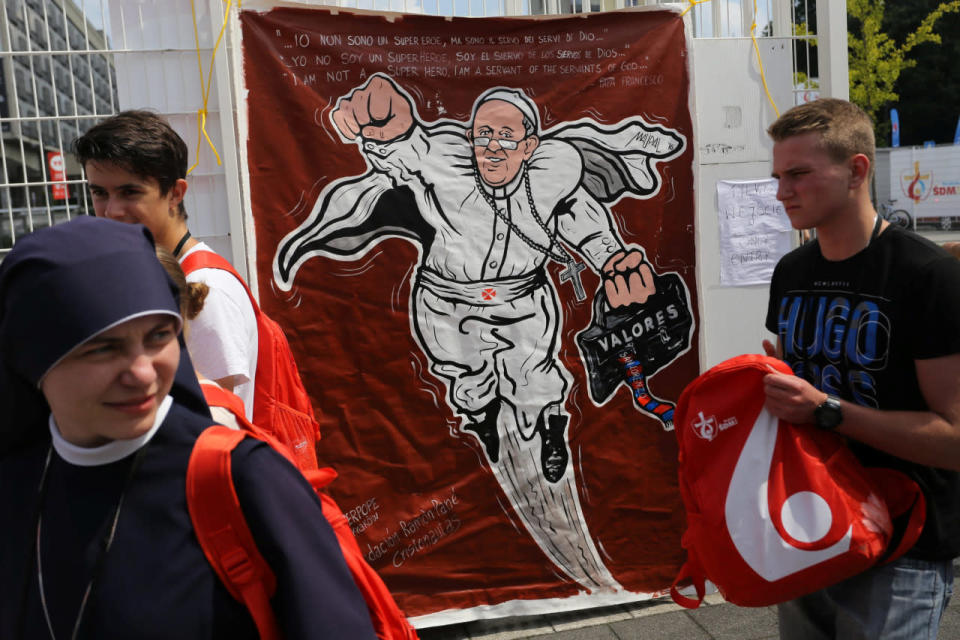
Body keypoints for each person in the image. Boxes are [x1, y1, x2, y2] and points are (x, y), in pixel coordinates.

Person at [273, 73, 690, 591]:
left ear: (531, 144)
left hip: (523, 300)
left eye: (506, 136)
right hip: (447, 301)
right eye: (481, 135)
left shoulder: (554, 170)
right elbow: (405, 151)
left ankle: (550, 427)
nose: (491, 147)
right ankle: (485, 417)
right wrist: (385, 132)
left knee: (535, 378)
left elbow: (578, 214)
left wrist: (612, 257)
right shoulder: (443, 159)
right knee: (464, 376)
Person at [0, 216, 377, 638]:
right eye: (104, 349)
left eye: (159, 337)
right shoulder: (17, 482)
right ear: (32, 357)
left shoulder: (245, 478)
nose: (142, 374)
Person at [762, 98, 960, 639]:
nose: (783, 192)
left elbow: (954, 439)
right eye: (779, 175)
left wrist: (824, 409)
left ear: (856, 170)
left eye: (799, 174)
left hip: (902, 547)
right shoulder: (792, 272)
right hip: (805, 530)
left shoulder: (928, 275)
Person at [72, 111, 259, 421]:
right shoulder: (164, 272)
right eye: (99, 193)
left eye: (129, 192)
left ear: (175, 193)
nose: (111, 211)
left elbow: (216, 416)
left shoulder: (205, 288)